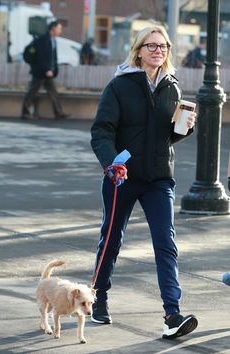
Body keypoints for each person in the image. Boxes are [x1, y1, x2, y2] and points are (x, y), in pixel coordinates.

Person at [90, 25, 198, 339]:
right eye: (151, 46)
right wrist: (112, 164)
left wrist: (184, 128)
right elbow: (102, 131)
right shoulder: (119, 86)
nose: (157, 51)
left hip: (158, 179)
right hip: (122, 177)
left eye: (163, 46)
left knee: (166, 243)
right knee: (111, 240)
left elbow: (168, 137)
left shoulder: (172, 87)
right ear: (139, 50)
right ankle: (98, 297)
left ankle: (172, 314)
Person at [21, 20, 71, 120]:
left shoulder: (53, 40)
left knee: (53, 92)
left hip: (48, 73)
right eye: (59, 28)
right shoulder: (43, 40)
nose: (60, 31)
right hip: (41, 72)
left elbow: (53, 57)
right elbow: (41, 57)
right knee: (32, 92)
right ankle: (25, 113)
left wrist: (54, 70)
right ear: (53, 28)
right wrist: (46, 70)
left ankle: (58, 113)